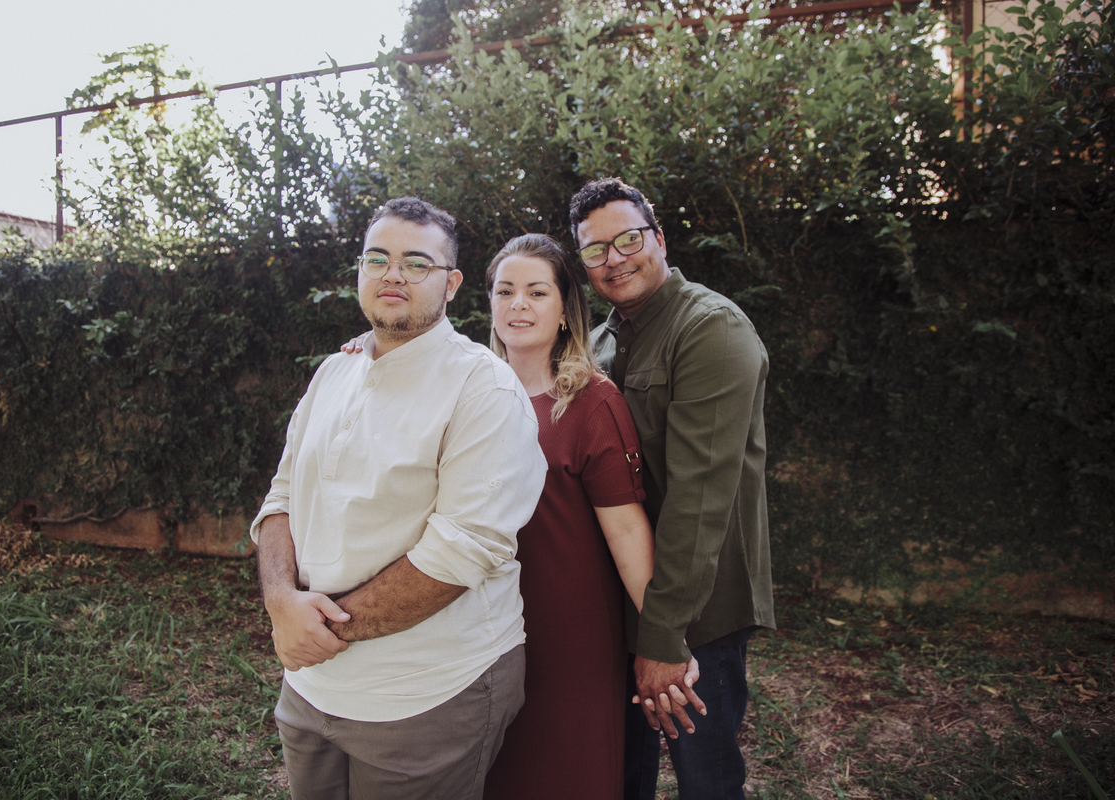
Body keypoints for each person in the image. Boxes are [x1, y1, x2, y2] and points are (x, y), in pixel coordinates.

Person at [251, 196, 547, 800]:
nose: (393, 274)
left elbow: (460, 550)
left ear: (451, 284)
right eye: (377, 259)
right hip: (309, 685)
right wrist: (281, 602)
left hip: (428, 692)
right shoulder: (332, 373)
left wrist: (321, 631)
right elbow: (281, 498)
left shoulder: (484, 388)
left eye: (416, 263)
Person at [569, 178, 775, 800]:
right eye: (595, 250)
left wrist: (662, 636)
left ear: (659, 238)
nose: (614, 258)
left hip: (697, 611)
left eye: (628, 239)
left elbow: (700, 499)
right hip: (621, 600)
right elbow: (512, 375)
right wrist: (385, 346)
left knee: (705, 778)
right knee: (617, 774)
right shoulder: (597, 343)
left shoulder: (711, 329)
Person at [480, 233, 655, 800]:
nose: (518, 304)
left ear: (564, 310)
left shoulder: (592, 402)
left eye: (536, 292)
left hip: (570, 637)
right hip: (481, 630)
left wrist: (663, 636)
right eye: (505, 291)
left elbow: (627, 530)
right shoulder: (470, 395)